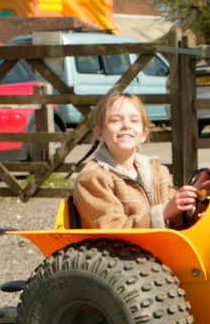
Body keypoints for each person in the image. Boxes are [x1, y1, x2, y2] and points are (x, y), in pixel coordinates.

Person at [73, 93, 199, 229]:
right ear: (99, 133)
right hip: (115, 249)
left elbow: (176, 221)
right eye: (115, 120)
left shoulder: (157, 172)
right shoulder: (93, 178)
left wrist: (196, 194)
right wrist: (161, 213)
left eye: (134, 120)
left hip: (161, 247)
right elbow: (113, 228)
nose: (126, 125)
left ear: (144, 134)